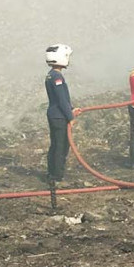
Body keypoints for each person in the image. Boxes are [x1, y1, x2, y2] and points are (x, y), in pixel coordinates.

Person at [44, 44, 80, 185]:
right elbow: (61, 99)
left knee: (55, 145)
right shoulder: (57, 77)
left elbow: (63, 99)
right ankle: (57, 177)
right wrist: (70, 117)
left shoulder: (51, 75)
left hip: (55, 114)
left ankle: (51, 173)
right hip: (59, 116)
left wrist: (72, 109)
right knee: (61, 146)